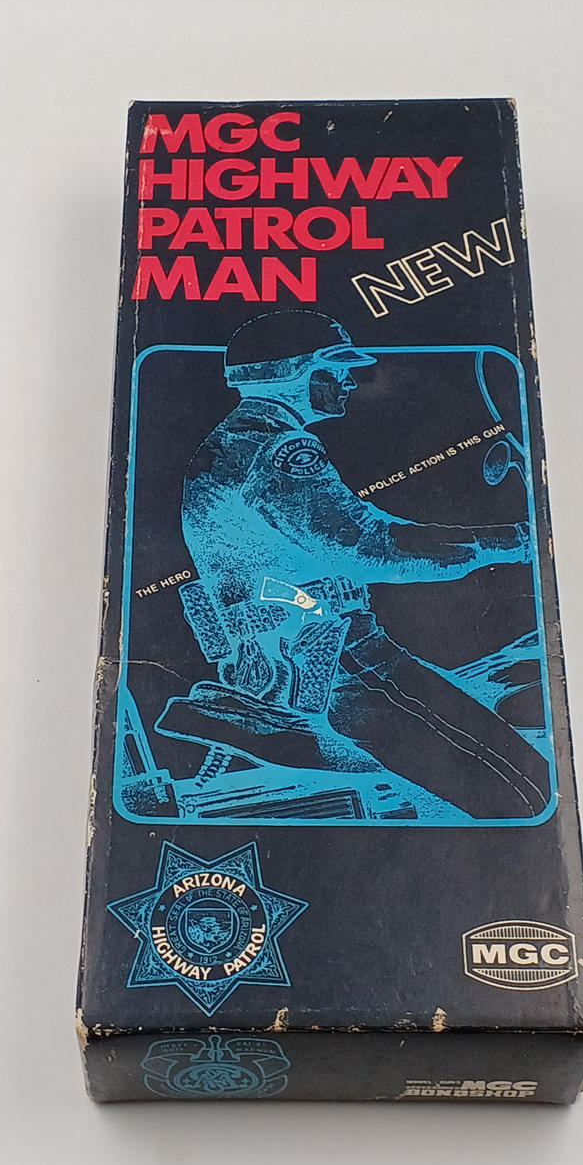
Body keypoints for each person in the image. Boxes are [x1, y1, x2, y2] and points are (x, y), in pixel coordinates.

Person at [155, 310, 550, 819]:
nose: (349, 380)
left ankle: (236, 721)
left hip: (297, 663)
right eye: (335, 367)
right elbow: (373, 547)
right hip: (341, 663)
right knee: (524, 792)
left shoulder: (232, 443)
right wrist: (517, 542)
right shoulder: (279, 449)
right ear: (292, 373)